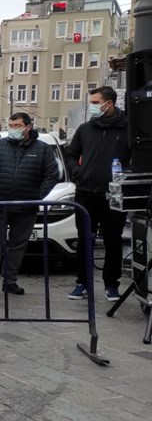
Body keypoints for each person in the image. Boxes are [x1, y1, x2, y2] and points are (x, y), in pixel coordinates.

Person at [0, 113, 59, 295]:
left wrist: (37, 196)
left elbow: (52, 175)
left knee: (17, 246)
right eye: (10, 125)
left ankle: (10, 281)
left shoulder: (43, 149)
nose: (12, 128)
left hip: (26, 208)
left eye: (17, 125)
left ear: (28, 127)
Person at [65, 86, 131, 301]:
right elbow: (71, 155)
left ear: (108, 104)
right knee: (85, 239)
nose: (92, 107)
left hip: (114, 194)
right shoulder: (85, 129)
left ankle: (111, 284)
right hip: (85, 193)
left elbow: (138, 157)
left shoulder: (128, 127)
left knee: (113, 241)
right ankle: (82, 283)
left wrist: (127, 176)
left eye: (95, 103)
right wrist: (77, 172)